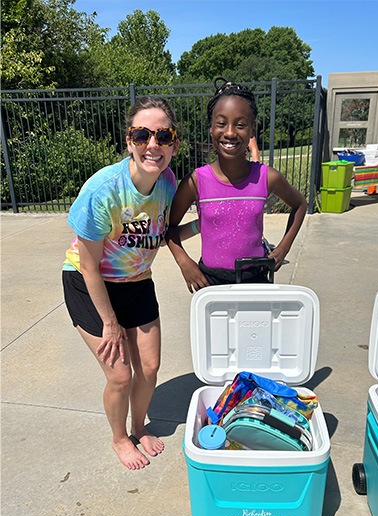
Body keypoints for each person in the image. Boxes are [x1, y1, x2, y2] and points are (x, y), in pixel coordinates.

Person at [62, 96, 195, 470]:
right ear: (129, 141)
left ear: (174, 144)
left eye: (163, 136)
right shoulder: (103, 190)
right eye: (142, 135)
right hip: (89, 283)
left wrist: (205, 225)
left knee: (149, 368)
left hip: (137, 281)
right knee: (120, 375)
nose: (152, 144)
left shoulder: (167, 183)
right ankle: (120, 439)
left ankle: (139, 427)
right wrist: (110, 323)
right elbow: (88, 264)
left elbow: (164, 232)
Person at [166, 79, 308, 292]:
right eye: (221, 123)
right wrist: (184, 262)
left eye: (240, 125)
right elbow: (169, 229)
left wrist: (283, 248)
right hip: (211, 281)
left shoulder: (266, 177)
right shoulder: (196, 181)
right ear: (211, 129)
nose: (230, 133)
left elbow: (300, 205)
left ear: (252, 130)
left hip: (257, 278)